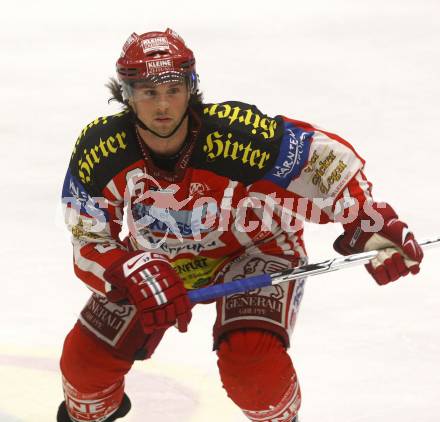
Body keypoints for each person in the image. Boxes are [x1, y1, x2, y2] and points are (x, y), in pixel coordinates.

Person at [58, 28, 424, 422]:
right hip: (157, 260)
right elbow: (86, 235)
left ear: (192, 87)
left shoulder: (237, 135)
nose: (163, 105)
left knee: (254, 370)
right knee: (85, 368)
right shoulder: (101, 149)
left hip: (254, 250)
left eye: (174, 89)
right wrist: (126, 267)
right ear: (127, 94)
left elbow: (319, 163)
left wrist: (366, 224)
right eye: (148, 92)